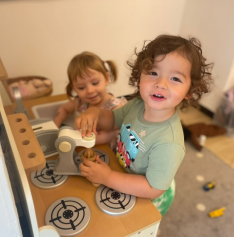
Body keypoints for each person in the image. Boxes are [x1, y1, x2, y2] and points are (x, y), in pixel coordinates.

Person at [75, 35, 213, 219]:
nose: (161, 84)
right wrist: (95, 113)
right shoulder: (137, 104)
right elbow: (113, 121)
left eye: (175, 78)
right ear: (139, 76)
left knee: (142, 230)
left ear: (189, 92)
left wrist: (107, 178)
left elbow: (152, 188)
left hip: (150, 197)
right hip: (124, 172)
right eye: (153, 73)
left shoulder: (169, 143)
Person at [54, 51, 127, 146]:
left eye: (95, 83)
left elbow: (111, 135)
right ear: (74, 88)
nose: (90, 90)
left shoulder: (115, 107)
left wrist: (74, 141)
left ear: (106, 78)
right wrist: (54, 129)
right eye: (81, 87)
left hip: (106, 151)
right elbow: (64, 109)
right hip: (84, 146)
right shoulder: (81, 102)